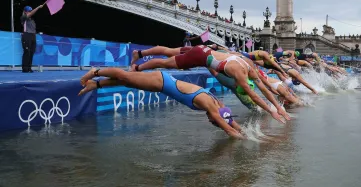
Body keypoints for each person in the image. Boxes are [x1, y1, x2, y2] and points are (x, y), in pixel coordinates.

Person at [129, 45, 291, 123]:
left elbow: (263, 87)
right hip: (199, 57)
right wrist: (272, 112)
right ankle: (137, 67)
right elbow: (255, 95)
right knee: (166, 63)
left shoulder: (247, 65)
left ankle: (140, 53)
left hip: (203, 49)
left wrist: (276, 107)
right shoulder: (240, 74)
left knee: (169, 51)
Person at [78, 68, 245, 139]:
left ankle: (96, 84)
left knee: (127, 82)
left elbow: (229, 121)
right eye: (212, 121)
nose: (210, 121)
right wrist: (249, 141)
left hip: (163, 84)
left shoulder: (218, 104)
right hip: (161, 81)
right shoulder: (209, 105)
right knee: (126, 77)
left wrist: (245, 132)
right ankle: (95, 72)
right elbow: (227, 128)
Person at [20, 4, 44, 73]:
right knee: (27, 52)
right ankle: (25, 68)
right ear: (25, 12)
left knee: (31, 52)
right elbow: (32, 13)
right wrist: (38, 7)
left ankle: (29, 67)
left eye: (30, 11)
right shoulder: (23, 17)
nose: (30, 12)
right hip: (26, 35)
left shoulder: (32, 20)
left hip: (33, 36)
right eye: (29, 11)